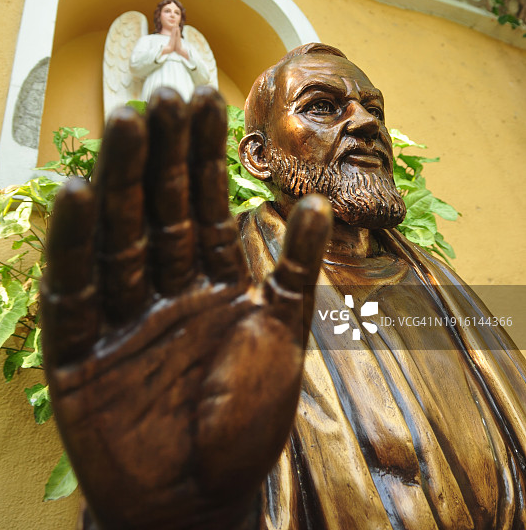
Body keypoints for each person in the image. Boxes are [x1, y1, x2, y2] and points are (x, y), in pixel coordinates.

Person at [41, 44, 526, 530]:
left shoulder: (438, 284)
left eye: (373, 108)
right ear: (258, 155)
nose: (366, 123)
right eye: (321, 106)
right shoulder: (209, 288)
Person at [129, 0, 210, 102]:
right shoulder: (148, 40)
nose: (172, 15)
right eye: (167, 11)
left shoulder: (188, 46)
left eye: (177, 13)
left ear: (181, 18)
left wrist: (182, 52)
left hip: (184, 90)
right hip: (157, 87)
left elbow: (204, 78)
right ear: (159, 15)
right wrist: (165, 50)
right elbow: (135, 67)